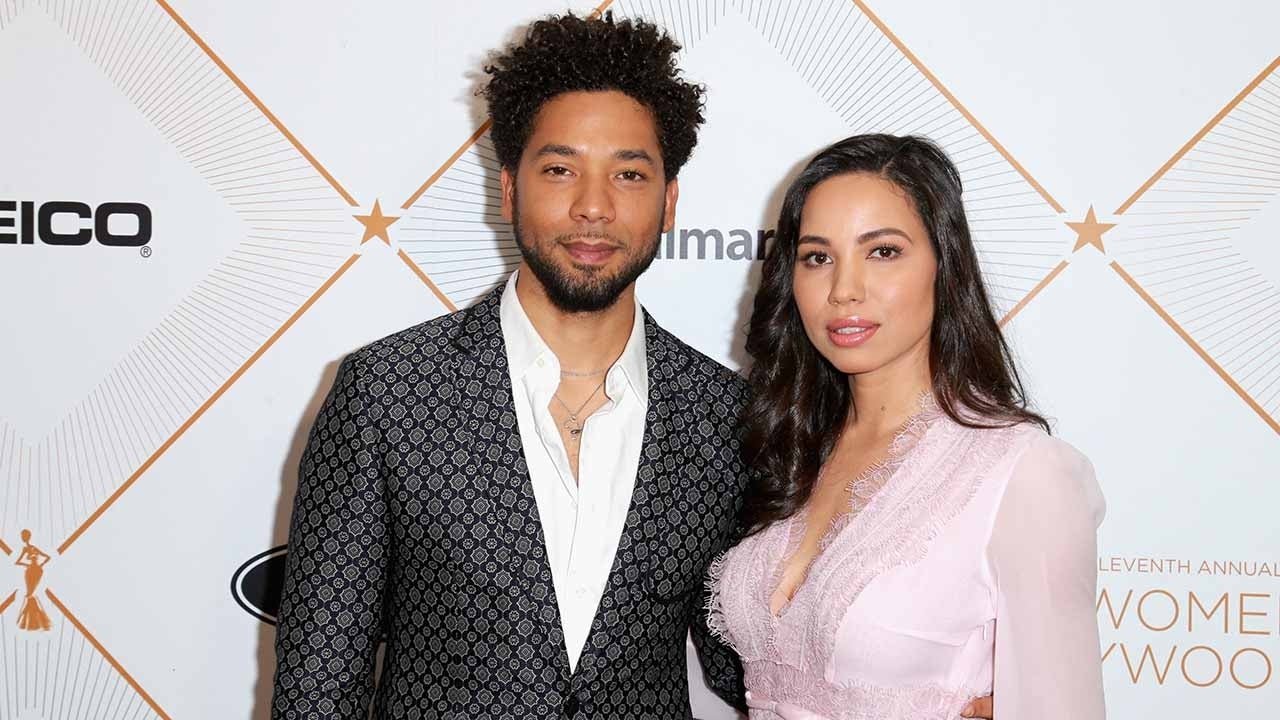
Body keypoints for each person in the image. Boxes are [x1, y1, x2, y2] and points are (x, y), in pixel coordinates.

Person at [270, 12, 748, 719]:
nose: (594, 207)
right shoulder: (387, 395)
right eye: (560, 169)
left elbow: (755, 671)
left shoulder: (725, 416)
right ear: (509, 189)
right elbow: (318, 691)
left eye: (629, 173)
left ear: (670, 201)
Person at [708, 135, 1106, 719]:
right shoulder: (788, 450)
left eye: (883, 252)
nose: (844, 290)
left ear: (944, 266)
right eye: (818, 257)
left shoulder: (1024, 473)